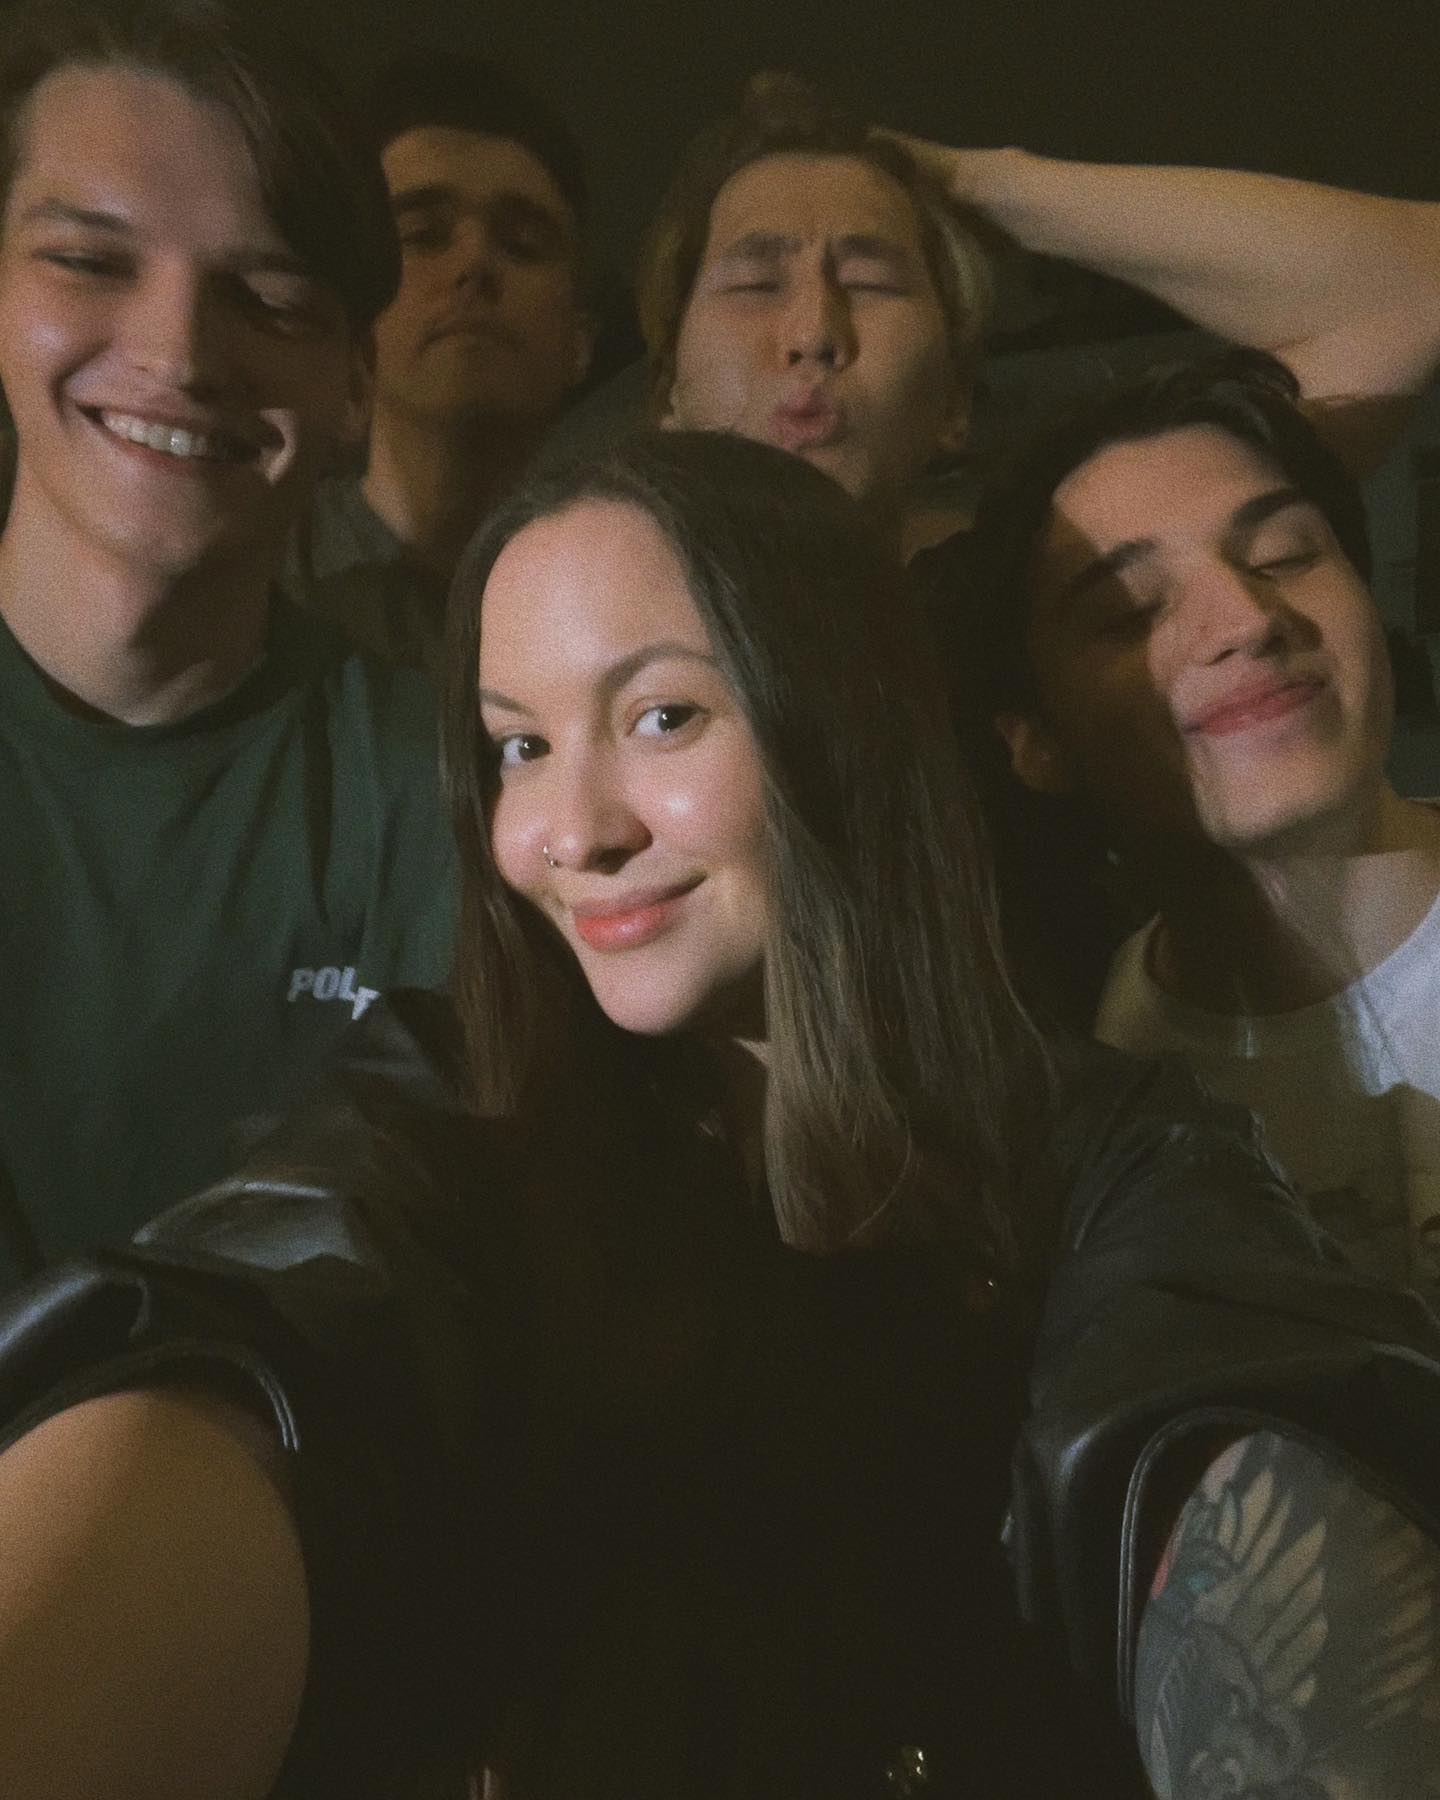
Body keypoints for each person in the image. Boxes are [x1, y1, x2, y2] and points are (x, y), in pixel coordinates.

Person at [2, 431, 1440, 1800]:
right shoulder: (445, 1115)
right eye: (518, 747)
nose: (574, 830)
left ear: (846, 717)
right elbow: (259, 1332)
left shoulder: (1121, 1162)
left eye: (662, 717)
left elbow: (1230, 1445)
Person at [0, 0, 455, 1285]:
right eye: (89, 261)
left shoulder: (435, 789)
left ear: (357, 385)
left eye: (271, 299)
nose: (180, 351)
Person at [960, 350, 1440, 1291]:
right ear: (1037, 743)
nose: (1247, 619)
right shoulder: (1108, 1086)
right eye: (1134, 609)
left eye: (1284, 555)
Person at [637, 74, 1440, 558]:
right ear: (669, 389)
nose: (814, 333)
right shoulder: (581, 633)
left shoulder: (1047, 616)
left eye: (871, 282)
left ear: (954, 402)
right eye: (756, 285)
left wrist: (981, 182)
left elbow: (1411, 284)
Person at [283, 50, 594, 672]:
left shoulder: (624, 593)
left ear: (580, 342)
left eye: (522, 244)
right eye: (423, 235)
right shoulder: (256, 568)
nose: (475, 264)